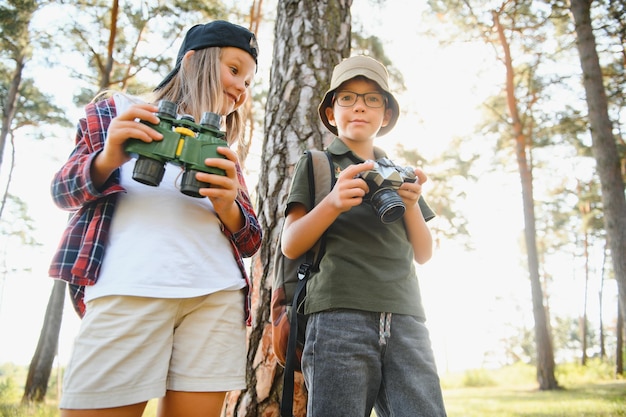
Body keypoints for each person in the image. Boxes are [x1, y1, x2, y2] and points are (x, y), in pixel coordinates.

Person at [48, 20, 262, 417]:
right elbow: (62, 190)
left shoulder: (217, 146)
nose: (241, 89)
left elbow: (250, 240)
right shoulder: (118, 109)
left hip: (215, 297)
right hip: (129, 286)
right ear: (193, 60)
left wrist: (229, 204)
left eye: (248, 83)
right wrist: (111, 155)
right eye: (234, 71)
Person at [280, 55, 448, 417]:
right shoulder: (318, 163)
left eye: (373, 98)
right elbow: (290, 243)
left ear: (386, 114)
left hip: (406, 317)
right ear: (331, 112)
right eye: (348, 98)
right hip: (337, 317)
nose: (360, 106)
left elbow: (424, 253)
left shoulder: (398, 172)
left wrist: (412, 202)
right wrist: (334, 202)